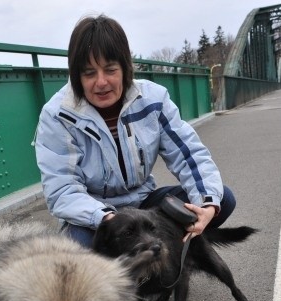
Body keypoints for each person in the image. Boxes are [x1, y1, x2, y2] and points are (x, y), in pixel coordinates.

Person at [34, 14, 236, 248]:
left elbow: (188, 155)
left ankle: (162, 260)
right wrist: (109, 220)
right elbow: (62, 190)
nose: (101, 82)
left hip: (144, 204)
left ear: (125, 68)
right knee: (80, 250)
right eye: (89, 73)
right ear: (76, 76)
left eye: (110, 70)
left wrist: (207, 203)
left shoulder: (153, 99)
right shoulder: (57, 115)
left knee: (222, 199)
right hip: (95, 217)